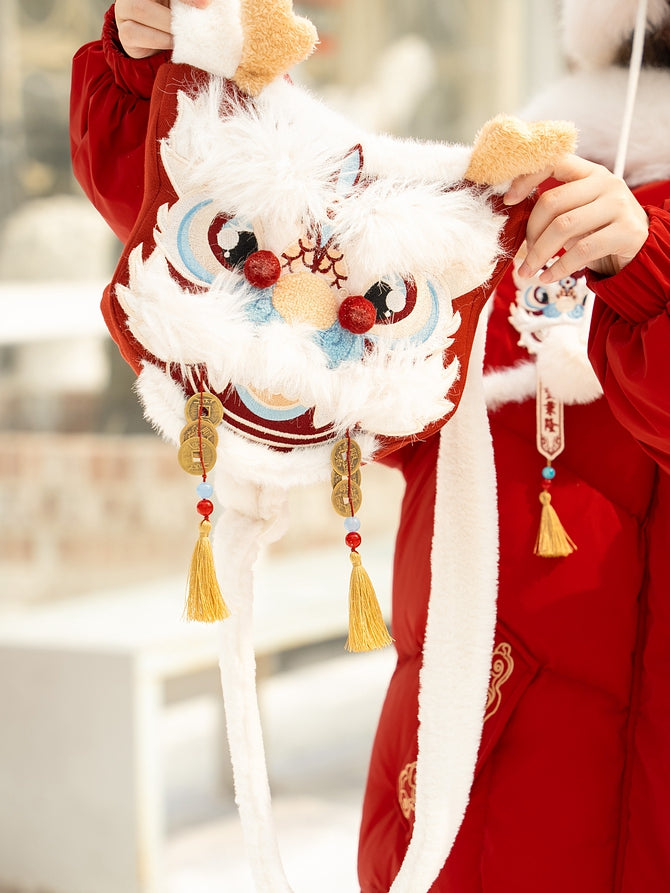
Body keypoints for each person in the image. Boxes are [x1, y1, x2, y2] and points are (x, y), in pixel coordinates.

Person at [70, 2, 670, 892]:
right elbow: (239, 262)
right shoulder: (518, 242)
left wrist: (648, 277)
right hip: (474, 792)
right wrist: (155, 74)